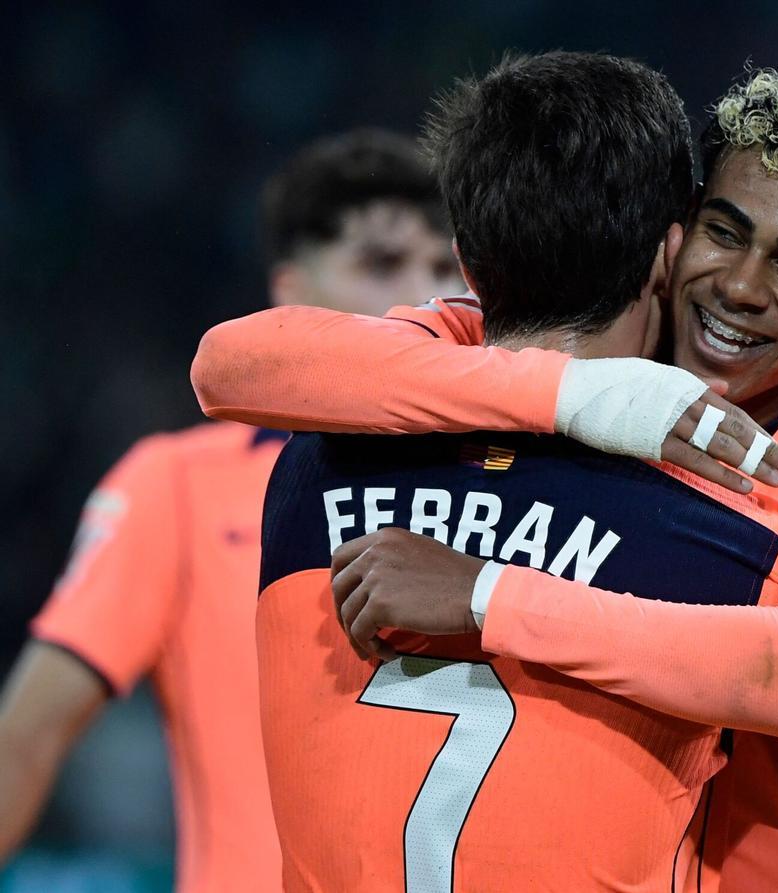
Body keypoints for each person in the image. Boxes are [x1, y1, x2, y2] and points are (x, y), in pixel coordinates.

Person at [194, 61, 778, 891]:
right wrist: (579, 396)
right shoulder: (541, 360)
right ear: (672, 239)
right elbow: (236, 363)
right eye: (726, 231)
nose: (742, 286)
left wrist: (491, 593)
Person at [0, 128, 460, 891]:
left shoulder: (517, 478)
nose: (423, 295)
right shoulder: (176, 486)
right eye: (381, 263)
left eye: (446, 265)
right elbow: (28, 731)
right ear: (289, 294)